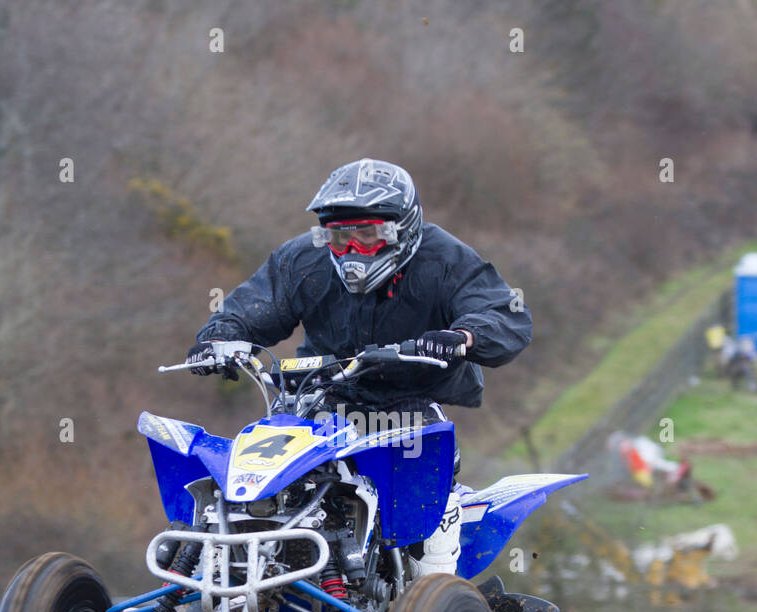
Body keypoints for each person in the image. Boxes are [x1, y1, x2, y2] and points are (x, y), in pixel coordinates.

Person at [186, 158, 531, 575]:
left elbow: (503, 313)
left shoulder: (445, 259)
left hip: (408, 405)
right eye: (339, 236)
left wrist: (464, 337)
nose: (351, 249)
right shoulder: (304, 261)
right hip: (320, 399)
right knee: (254, 482)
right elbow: (254, 307)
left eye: (366, 235)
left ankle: (436, 593)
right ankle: (220, 571)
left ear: (401, 228)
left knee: (427, 495)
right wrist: (219, 337)